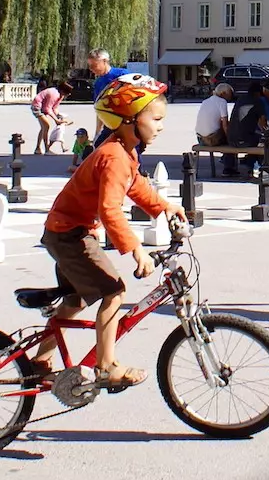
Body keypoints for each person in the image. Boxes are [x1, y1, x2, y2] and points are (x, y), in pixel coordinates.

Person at [37, 74, 186, 390]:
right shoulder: (115, 155)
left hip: (66, 230)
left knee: (75, 302)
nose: (160, 126)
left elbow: (136, 186)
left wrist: (163, 207)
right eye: (156, 119)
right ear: (130, 119)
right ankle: (106, 366)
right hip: (71, 234)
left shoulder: (123, 150)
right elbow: (110, 209)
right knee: (114, 292)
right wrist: (135, 248)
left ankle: (40, 361)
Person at [31, 80, 73, 154]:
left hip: (43, 107)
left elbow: (54, 108)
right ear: (63, 90)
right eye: (67, 92)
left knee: (44, 127)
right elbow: (47, 108)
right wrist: (56, 120)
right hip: (37, 107)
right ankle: (47, 149)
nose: (68, 94)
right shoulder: (54, 94)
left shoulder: (60, 96)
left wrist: (59, 116)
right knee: (46, 126)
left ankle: (38, 148)